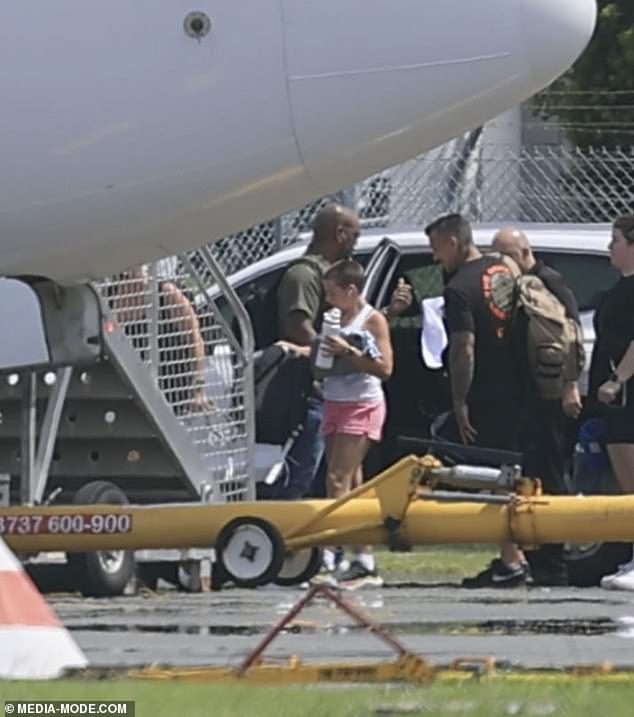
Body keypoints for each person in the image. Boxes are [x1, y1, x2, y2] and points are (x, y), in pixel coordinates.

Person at [425, 214, 527, 587]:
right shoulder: (504, 269)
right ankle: (519, 553)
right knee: (516, 471)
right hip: (520, 385)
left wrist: (460, 400)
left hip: (486, 392)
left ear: (453, 242)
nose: (436, 259)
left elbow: (463, 349)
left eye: (437, 249)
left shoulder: (459, 289)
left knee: (497, 476)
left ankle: (512, 559)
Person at [279, 259, 393, 588]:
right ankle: (363, 558)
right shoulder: (334, 318)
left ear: (351, 290)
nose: (328, 300)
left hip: (361, 403)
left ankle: (327, 556)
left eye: (332, 293)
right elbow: (322, 354)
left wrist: (348, 352)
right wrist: (303, 350)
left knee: (336, 479)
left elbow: (385, 368)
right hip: (334, 401)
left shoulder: (372, 320)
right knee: (353, 484)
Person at [492, 226, 583, 586]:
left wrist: (570, 385)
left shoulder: (547, 282)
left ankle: (554, 556)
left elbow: (571, 332)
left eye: (503, 255)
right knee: (532, 473)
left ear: (521, 252)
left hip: (549, 398)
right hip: (529, 398)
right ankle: (533, 551)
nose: (498, 263)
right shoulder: (518, 287)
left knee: (551, 473)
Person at [274, 203, 361, 499]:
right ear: (339, 233)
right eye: (354, 234)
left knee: (337, 478)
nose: (356, 241)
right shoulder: (304, 274)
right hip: (307, 393)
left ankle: (329, 545)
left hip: (333, 393)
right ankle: (287, 541)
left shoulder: (332, 274)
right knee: (300, 479)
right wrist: (328, 355)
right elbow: (298, 325)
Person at [587, 214, 634, 591]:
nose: (610, 247)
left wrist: (618, 380)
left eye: (616, 240)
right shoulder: (621, 288)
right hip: (617, 400)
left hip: (627, 395)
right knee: (624, 480)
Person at [107, 264, 208, 415]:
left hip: (170, 391)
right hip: (133, 392)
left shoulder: (166, 292)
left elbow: (195, 339)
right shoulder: (113, 296)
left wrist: (198, 387)